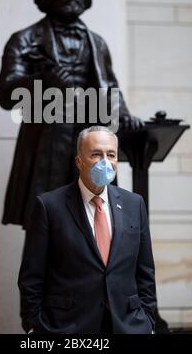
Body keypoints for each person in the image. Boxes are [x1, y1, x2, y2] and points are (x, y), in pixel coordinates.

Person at [0, 0, 143, 229]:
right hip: (46, 140)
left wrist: (124, 117)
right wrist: (41, 80)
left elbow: (110, 89)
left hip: (90, 139)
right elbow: (6, 93)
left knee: (95, 216)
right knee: (45, 222)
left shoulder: (96, 43)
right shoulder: (25, 39)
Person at [18, 126, 156, 334]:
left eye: (111, 154)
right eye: (95, 154)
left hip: (127, 326)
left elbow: (145, 272)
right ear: (78, 161)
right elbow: (32, 277)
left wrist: (148, 322)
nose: (105, 161)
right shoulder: (49, 206)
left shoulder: (134, 204)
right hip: (68, 328)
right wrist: (34, 326)